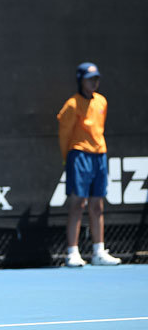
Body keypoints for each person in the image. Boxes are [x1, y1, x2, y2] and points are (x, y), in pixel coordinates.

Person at [57, 62, 121, 267]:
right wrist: (67, 156)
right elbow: (64, 134)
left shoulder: (102, 102)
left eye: (96, 79)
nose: (94, 82)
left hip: (99, 155)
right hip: (78, 155)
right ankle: (72, 252)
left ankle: (98, 251)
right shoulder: (72, 105)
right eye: (89, 79)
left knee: (97, 205)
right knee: (78, 203)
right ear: (80, 80)